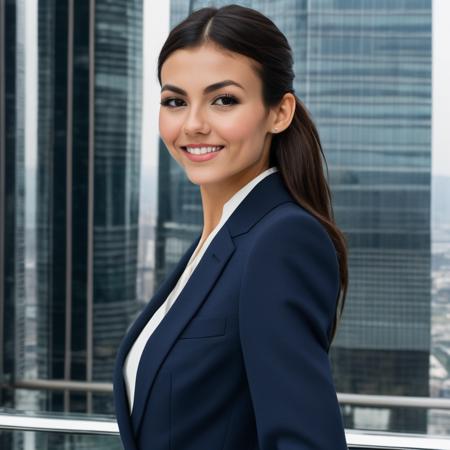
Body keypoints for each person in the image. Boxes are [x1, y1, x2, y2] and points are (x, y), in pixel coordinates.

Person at [113, 4, 349, 450]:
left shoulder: (281, 240)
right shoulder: (220, 239)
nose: (194, 124)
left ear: (279, 113)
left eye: (224, 100)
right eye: (175, 101)